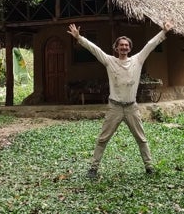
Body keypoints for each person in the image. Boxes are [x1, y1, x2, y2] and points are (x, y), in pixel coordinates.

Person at [67, 21, 174, 178]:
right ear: (116, 48)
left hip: (131, 108)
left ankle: (149, 166)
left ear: (129, 48)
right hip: (115, 107)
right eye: (121, 45)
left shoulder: (137, 60)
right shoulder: (110, 61)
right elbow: (95, 50)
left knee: (141, 138)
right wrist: (79, 38)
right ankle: (93, 168)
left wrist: (163, 32)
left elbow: (150, 45)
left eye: (126, 45)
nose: (124, 47)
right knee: (103, 139)